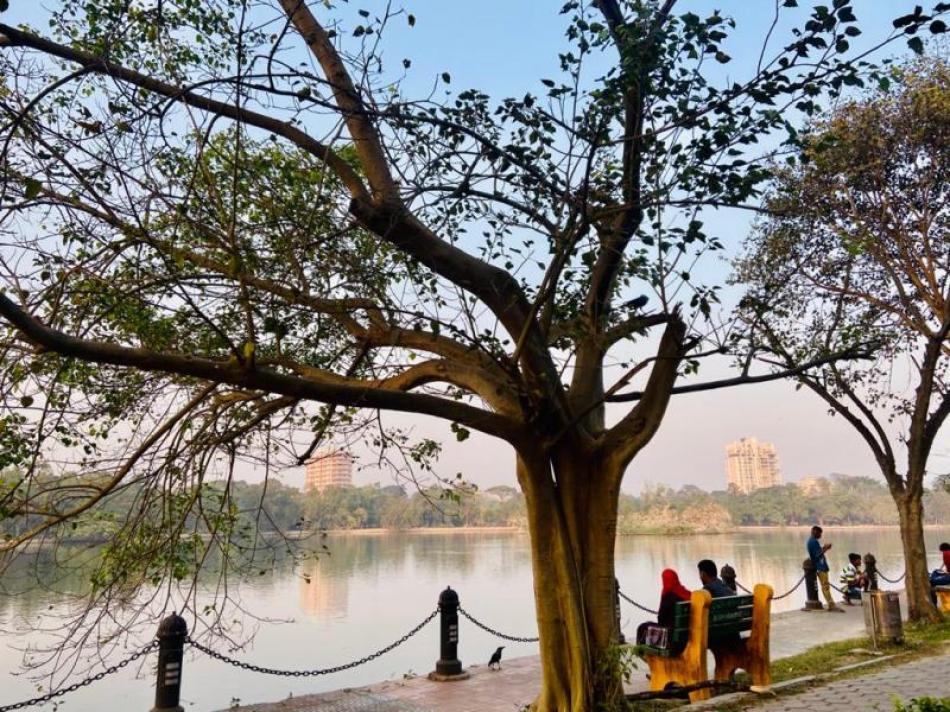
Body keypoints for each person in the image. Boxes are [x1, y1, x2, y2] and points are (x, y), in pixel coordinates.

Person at [636, 568, 691, 646]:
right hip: (685, 637)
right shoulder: (687, 593)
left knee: (642, 627)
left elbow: (661, 620)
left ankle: (642, 652)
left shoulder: (668, 596)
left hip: (670, 638)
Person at [807, 525, 844, 612]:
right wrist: (826, 549)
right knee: (825, 586)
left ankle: (831, 604)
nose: (821, 536)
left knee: (825, 586)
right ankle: (831, 605)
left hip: (822, 566)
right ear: (815, 532)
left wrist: (824, 547)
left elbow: (818, 551)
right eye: (820, 533)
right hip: (820, 567)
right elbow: (817, 555)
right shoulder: (812, 542)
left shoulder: (813, 541)